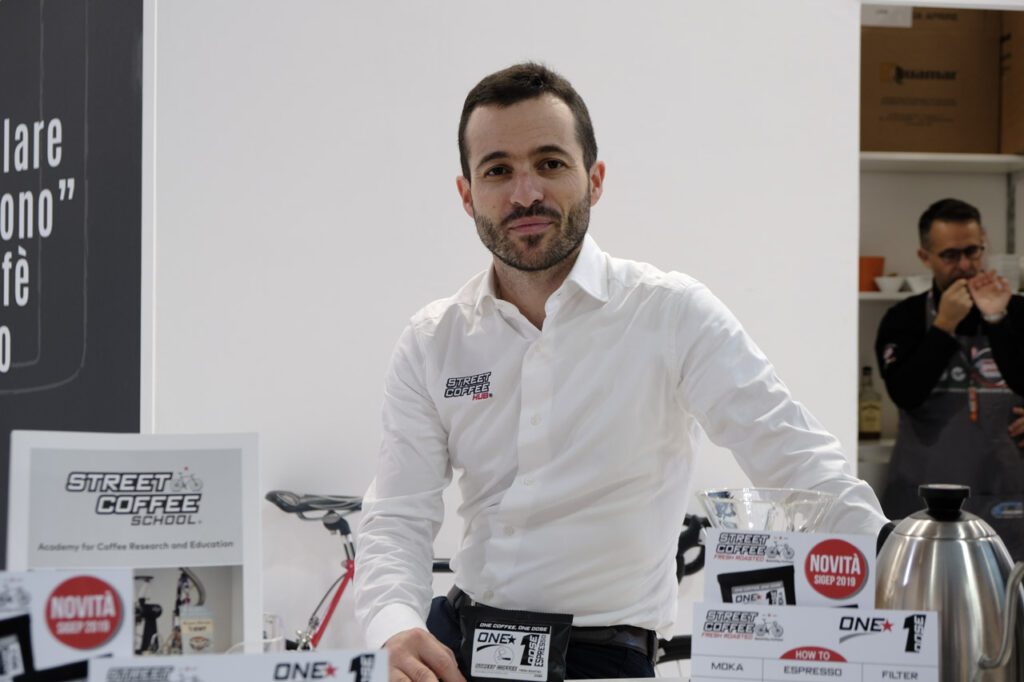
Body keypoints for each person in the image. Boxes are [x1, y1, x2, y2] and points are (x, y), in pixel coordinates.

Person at [354, 62, 888, 681]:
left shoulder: (671, 314)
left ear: (595, 179)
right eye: (497, 170)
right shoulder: (433, 339)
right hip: (459, 644)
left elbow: (795, 458)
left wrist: (905, 566)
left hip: (603, 658)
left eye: (550, 163)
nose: (525, 193)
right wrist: (395, 627)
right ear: (467, 194)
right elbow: (398, 515)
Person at [875, 198, 1024, 558]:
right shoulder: (904, 318)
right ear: (925, 257)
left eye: (973, 251)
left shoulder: (1018, 311)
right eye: (950, 256)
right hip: (923, 490)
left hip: (1008, 492)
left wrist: (996, 320)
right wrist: (944, 326)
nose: (965, 265)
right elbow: (906, 393)